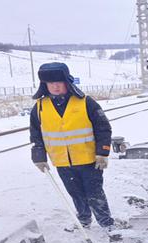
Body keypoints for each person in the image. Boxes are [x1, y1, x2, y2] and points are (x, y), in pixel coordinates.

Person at [29, 62, 114, 229]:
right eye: (50, 83)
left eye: (58, 82)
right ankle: (84, 220)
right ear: (44, 85)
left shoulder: (85, 102)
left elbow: (103, 128)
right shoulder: (39, 107)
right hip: (62, 162)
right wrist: (39, 157)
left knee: (94, 193)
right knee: (75, 193)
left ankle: (106, 223)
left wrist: (102, 152)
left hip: (89, 160)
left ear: (67, 81)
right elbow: (35, 135)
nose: (55, 86)